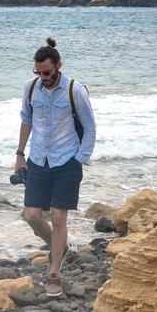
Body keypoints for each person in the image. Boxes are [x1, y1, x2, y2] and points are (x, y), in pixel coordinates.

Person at [14, 37, 96, 297]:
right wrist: (20, 154)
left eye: (47, 73)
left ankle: (55, 273)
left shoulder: (75, 91)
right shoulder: (30, 89)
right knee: (31, 215)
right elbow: (26, 120)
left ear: (59, 65)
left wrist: (80, 158)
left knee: (59, 218)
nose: (43, 77)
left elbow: (90, 126)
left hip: (66, 161)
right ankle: (60, 248)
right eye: (38, 72)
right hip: (38, 159)